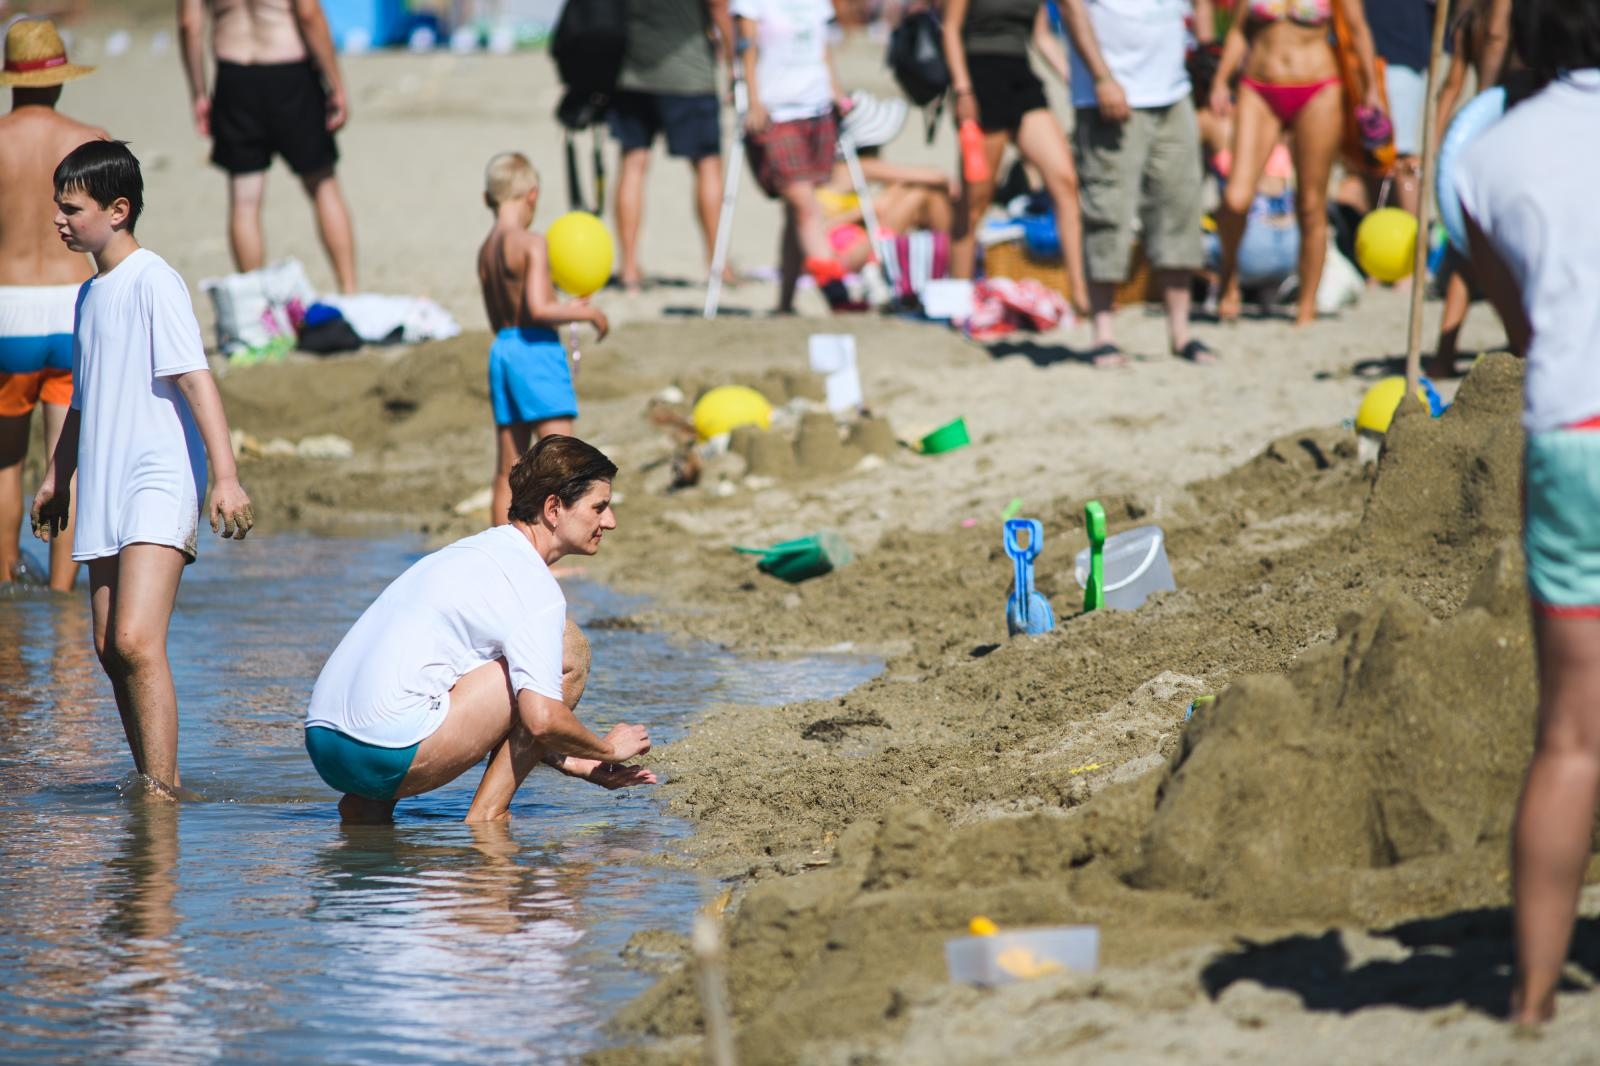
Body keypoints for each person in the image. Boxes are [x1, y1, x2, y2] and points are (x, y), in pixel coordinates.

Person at [1454, 0, 1600, 1025]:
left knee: (1571, 739)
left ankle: (1533, 997)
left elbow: (1522, 328)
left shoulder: (1484, 156)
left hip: (1569, 433)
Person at [32, 141, 255, 796]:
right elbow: (84, 397)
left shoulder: (153, 277)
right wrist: (56, 475)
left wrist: (227, 474)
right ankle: (158, 781)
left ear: (118, 209)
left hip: (156, 479)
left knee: (135, 638)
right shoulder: (89, 294)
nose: (59, 220)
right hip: (102, 484)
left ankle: (161, 797)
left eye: (72, 209)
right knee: (107, 645)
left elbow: (195, 379)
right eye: (58, 207)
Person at [303, 435, 657, 825]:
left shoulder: (468, 552)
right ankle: (489, 816)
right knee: (568, 649)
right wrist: (607, 749)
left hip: (323, 742)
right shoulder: (534, 587)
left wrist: (569, 758)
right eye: (599, 507)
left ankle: (366, 811)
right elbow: (540, 718)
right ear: (554, 508)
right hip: (385, 751)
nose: (610, 521)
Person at [0, 19, 104, 591]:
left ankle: (7, 584)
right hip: (73, 308)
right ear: (60, 79)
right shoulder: (91, 137)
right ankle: (64, 596)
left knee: (6, 462)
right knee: (67, 462)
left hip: (7, 309)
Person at [1059, 0, 1216, 365]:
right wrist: (1101, 77)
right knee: (1107, 213)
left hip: (1174, 92)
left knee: (1180, 208)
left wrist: (1207, 51)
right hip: (1111, 94)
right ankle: (1103, 334)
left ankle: (1181, 332)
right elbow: (1071, 8)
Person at [1211, 0, 1383, 326]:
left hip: (1318, 86)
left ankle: (1307, 304)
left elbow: (1358, 30)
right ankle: (1229, 277)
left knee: (1310, 204)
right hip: (1259, 87)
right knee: (1235, 197)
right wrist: (1221, 79)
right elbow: (1237, 32)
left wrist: (1371, 90)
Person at [177, 0, 358, 293]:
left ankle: (254, 306)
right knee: (323, 185)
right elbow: (309, 13)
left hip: (235, 75)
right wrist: (336, 83)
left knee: (244, 200)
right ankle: (349, 291)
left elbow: (189, 25)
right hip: (289, 72)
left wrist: (198, 91)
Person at [476, 152, 609, 526]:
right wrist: (587, 313)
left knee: (509, 468)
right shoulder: (531, 243)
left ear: (487, 198)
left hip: (504, 348)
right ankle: (554, 559)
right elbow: (537, 309)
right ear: (532, 195)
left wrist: (558, 306)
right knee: (562, 461)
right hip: (535, 349)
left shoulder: (486, 251)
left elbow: (510, 314)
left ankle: (503, 554)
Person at [943, 0, 1091, 317]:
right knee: (975, 201)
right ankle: (958, 298)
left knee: (1066, 181)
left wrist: (1073, 76)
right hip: (980, 78)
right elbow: (951, 29)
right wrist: (962, 89)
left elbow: (1042, 37)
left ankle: (1081, 292)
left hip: (1021, 76)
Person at [732, 0, 858, 312]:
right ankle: (837, 294)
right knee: (805, 206)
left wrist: (836, 91)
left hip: (816, 108)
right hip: (775, 112)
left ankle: (785, 303)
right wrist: (752, 99)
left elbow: (822, 49)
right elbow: (745, 47)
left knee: (798, 212)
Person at [610, 0, 736, 293]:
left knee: (633, 162)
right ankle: (718, 264)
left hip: (632, 70)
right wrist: (734, 63)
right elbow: (718, 6)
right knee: (707, 164)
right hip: (689, 73)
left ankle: (629, 268)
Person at [818, 90, 954, 274]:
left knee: (909, 191)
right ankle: (953, 261)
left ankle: (948, 260)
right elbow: (937, 176)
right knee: (919, 193)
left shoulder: (837, 168)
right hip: (842, 255)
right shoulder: (859, 167)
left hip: (840, 248)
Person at [1362, 0, 1432, 216]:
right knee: (1375, 160)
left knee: (1400, 160)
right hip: (1379, 54)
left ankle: (1417, 241)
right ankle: (1381, 237)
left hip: (1397, 55)